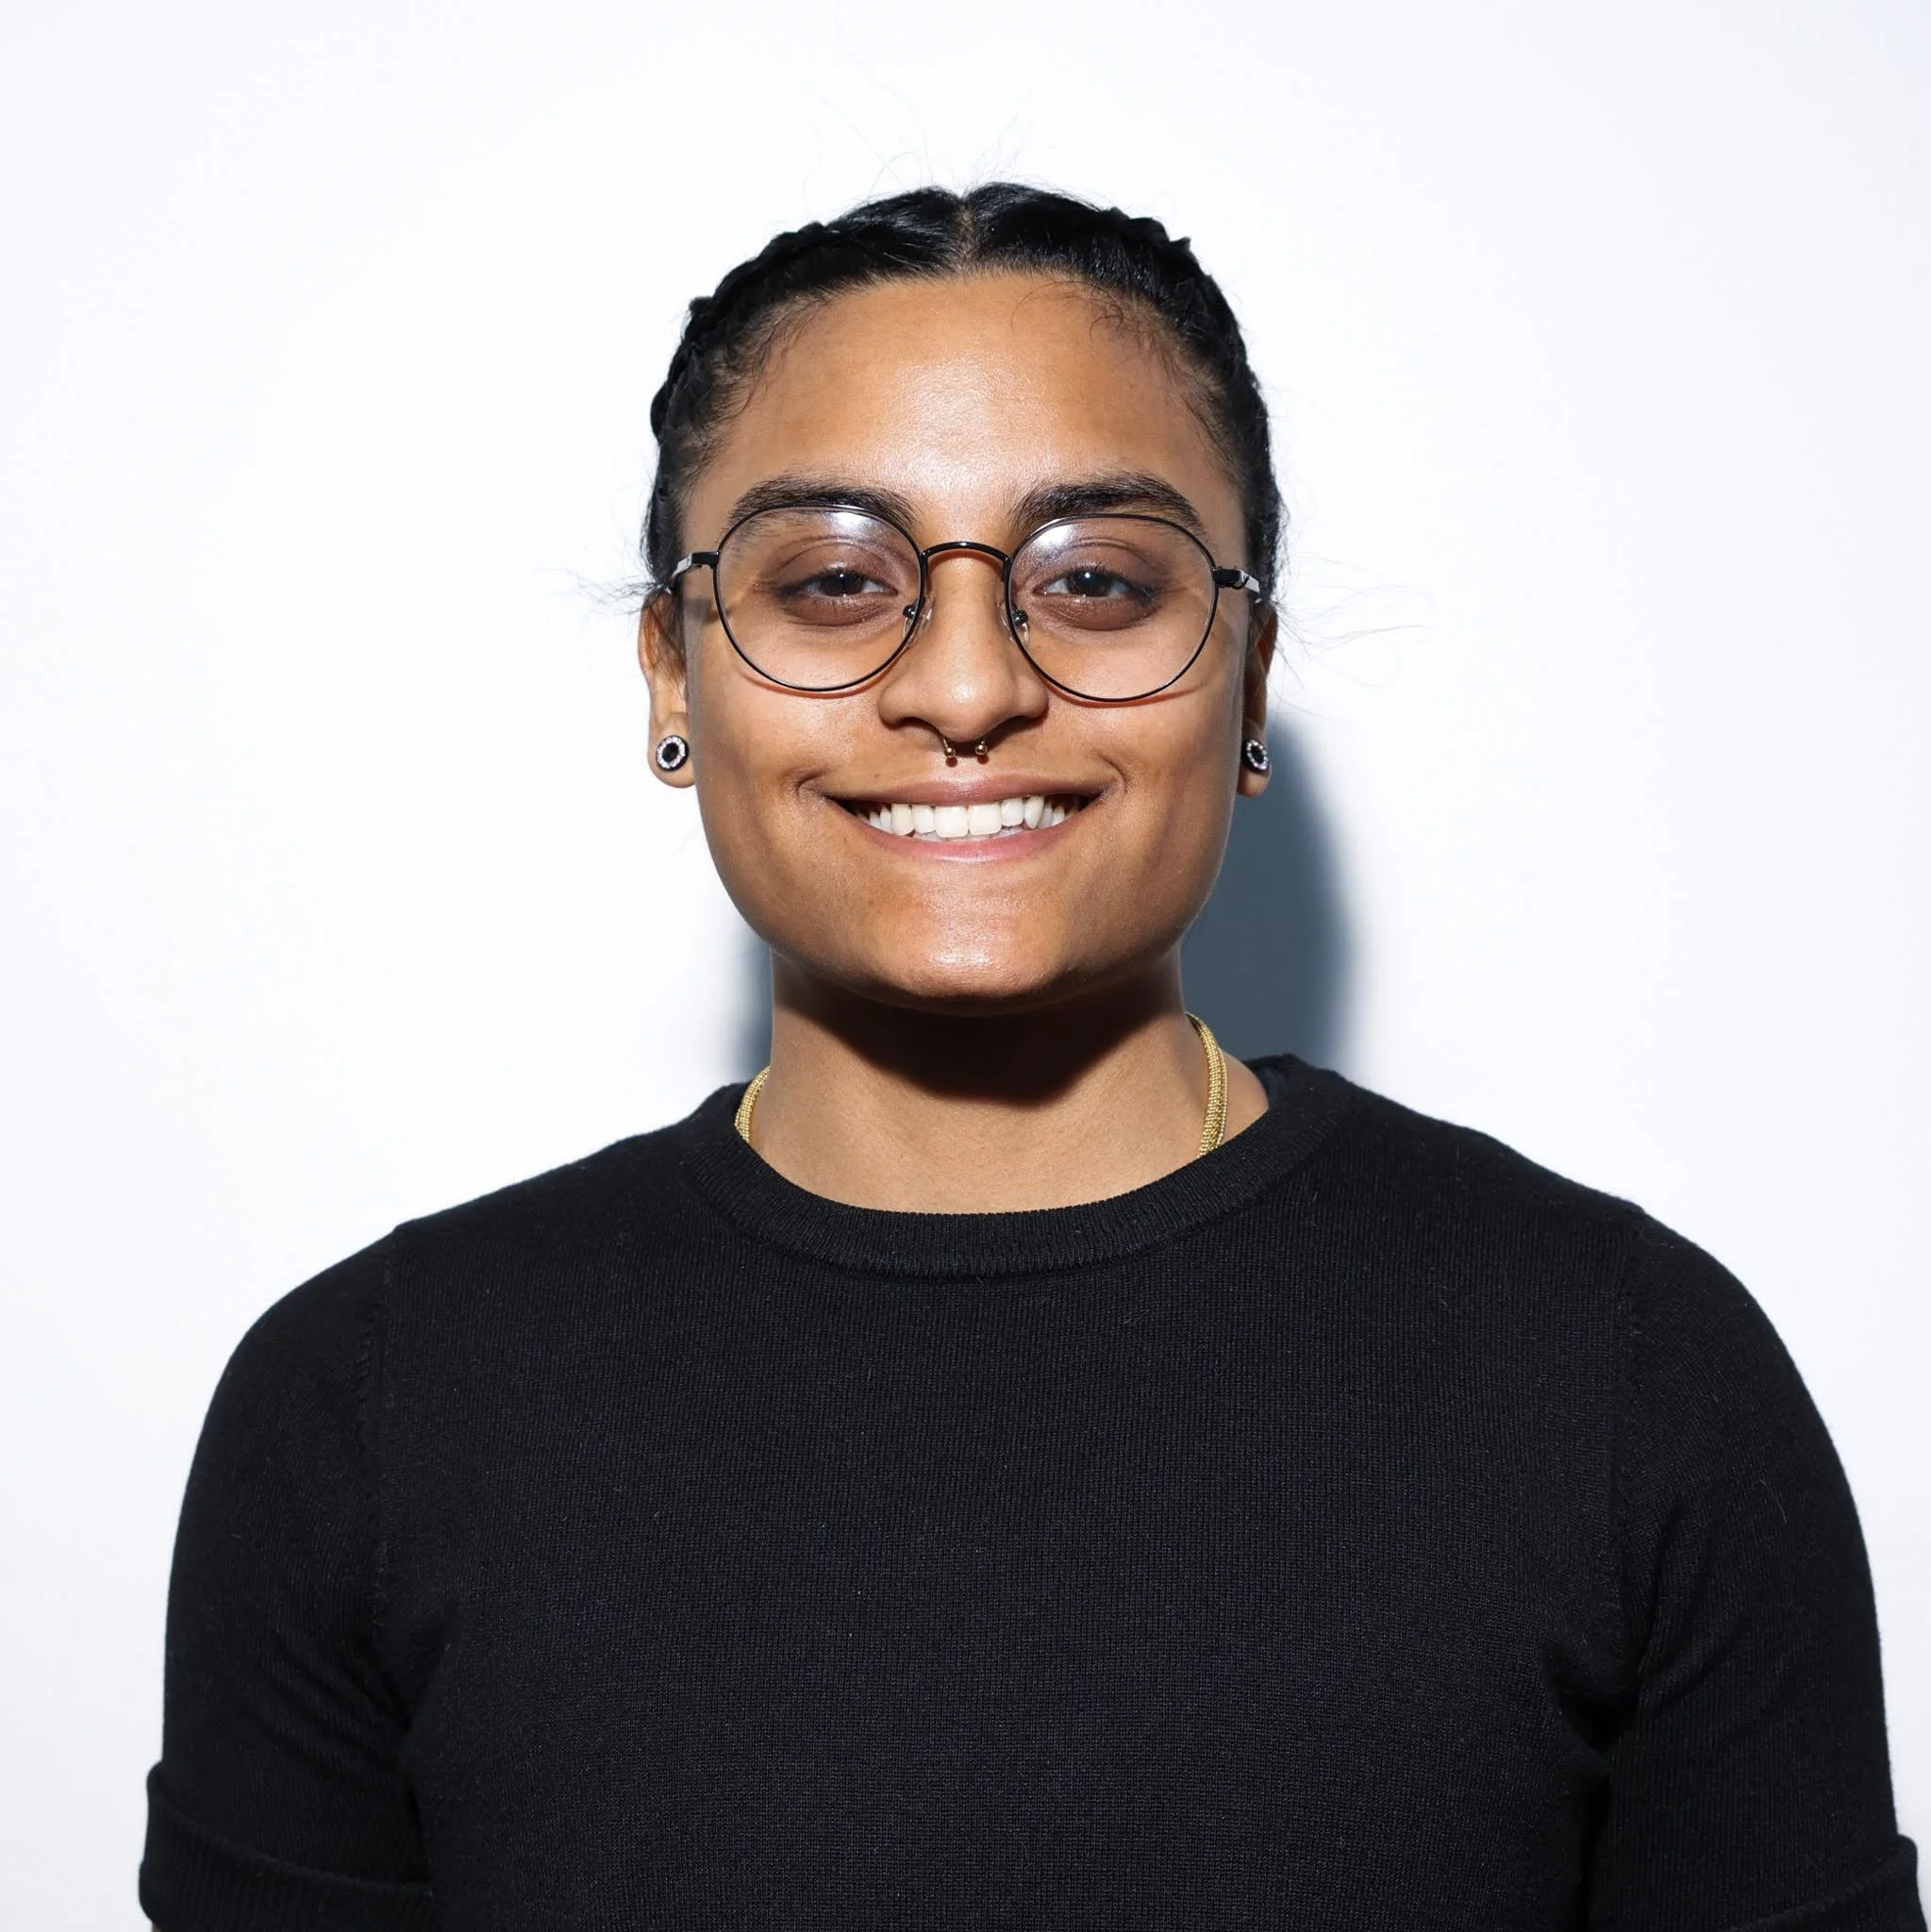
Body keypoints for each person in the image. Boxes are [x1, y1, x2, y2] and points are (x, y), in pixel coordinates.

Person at [140, 183, 1922, 1930]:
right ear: (673, 680)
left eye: (1096, 579)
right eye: (836, 580)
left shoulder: (1622, 1375)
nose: (972, 684)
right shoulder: (368, 1410)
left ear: (1246, 678)